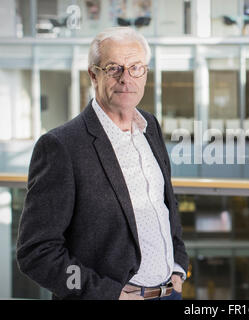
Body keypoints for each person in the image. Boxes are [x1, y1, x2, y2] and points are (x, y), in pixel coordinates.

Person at [16, 27, 188, 300]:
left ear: (146, 73)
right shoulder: (61, 146)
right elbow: (36, 253)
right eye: (113, 69)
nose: (126, 78)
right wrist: (106, 294)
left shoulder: (150, 127)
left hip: (169, 293)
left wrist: (179, 262)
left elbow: (165, 202)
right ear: (93, 75)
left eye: (136, 68)